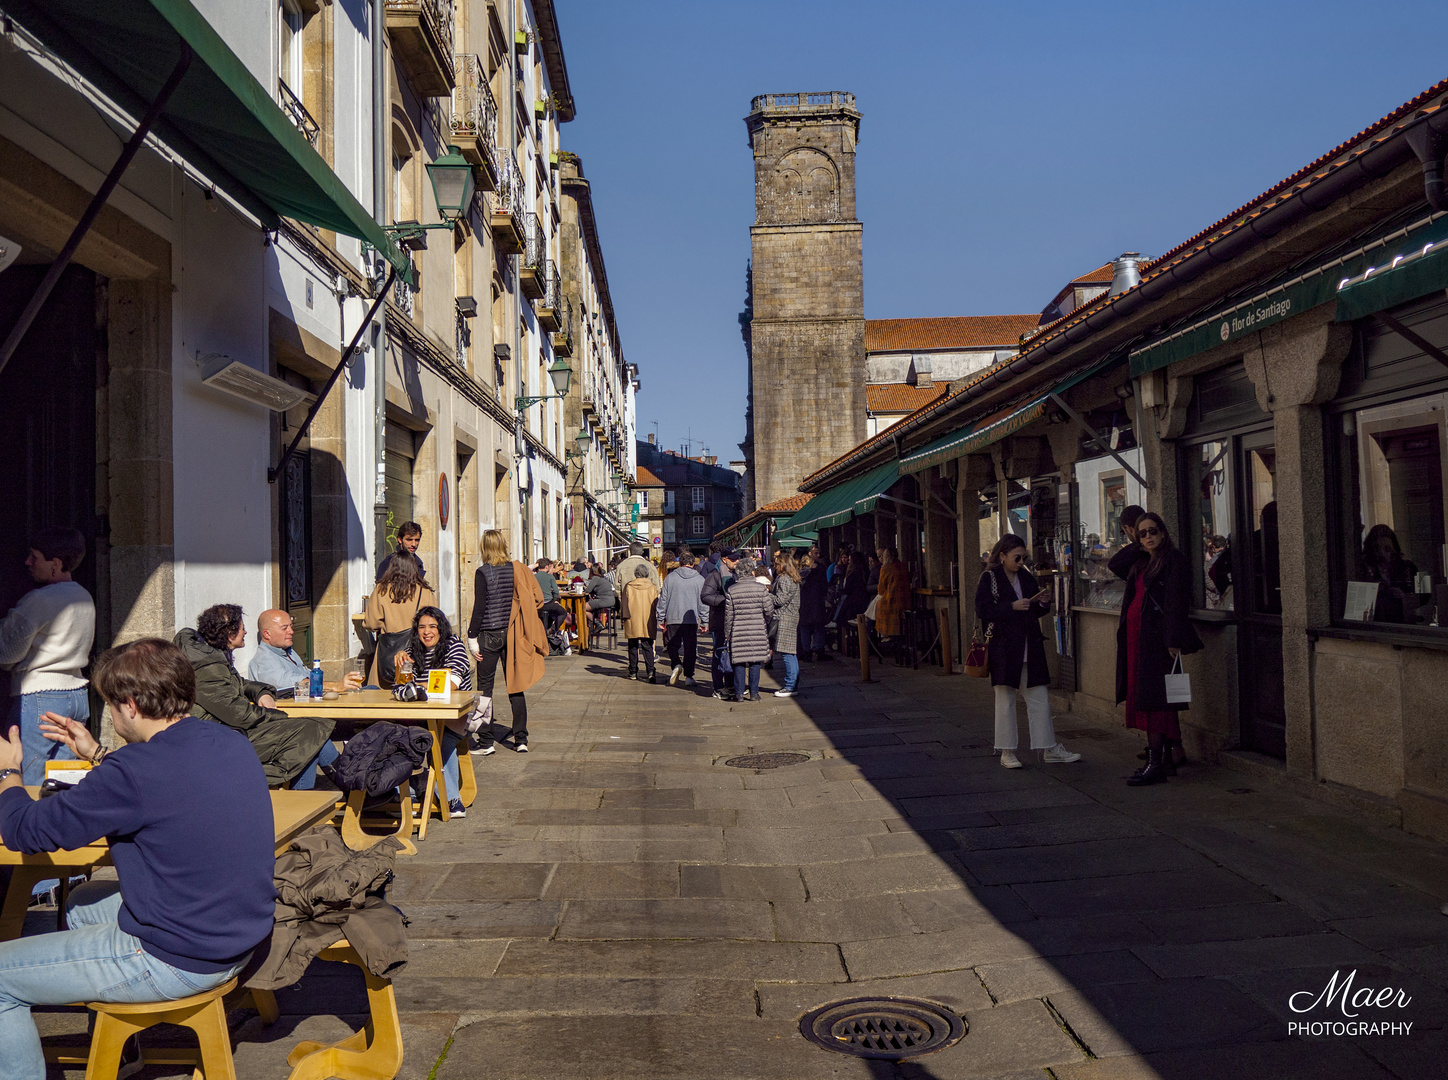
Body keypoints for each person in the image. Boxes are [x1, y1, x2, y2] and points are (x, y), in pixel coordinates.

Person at [0, 638, 275, 1080]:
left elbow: (25, 831)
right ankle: (120, 1051)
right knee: (82, 901)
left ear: (129, 705)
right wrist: (95, 755)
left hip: (177, 956)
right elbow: (161, 783)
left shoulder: (131, 773)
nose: (109, 714)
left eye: (109, 704)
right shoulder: (227, 741)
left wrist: (8, 772)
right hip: (239, 934)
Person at [175, 605, 337, 788]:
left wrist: (261, 692)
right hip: (219, 741)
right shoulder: (207, 665)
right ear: (229, 634)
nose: (246, 632)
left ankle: (343, 787)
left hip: (227, 731)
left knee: (311, 732)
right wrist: (282, 716)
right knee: (309, 731)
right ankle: (348, 785)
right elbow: (238, 713)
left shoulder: (213, 656)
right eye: (242, 628)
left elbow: (239, 683)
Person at [1111, 512, 1203, 786]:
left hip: (1158, 642)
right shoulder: (1141, 562)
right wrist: (1139, 545)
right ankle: (1163, 761)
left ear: (1163, 532)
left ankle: (1156, 765)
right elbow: (1115, 563)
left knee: (1157, 704)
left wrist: (1172, 640)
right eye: (1142, 533)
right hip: (1136, 641)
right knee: (1151, 700)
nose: (1148, 536)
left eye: (1153, 531)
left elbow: (1176, 601)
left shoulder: (1173, 559)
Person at [976, 534, 1081, 770]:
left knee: (1039, 696)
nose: (1021, 561)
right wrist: (1011, 607)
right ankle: (1007, 750)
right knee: (1005, 699)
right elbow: (982, 610)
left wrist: (1042, 603)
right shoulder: (989, 578)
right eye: (1017, 557)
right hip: (1004, 647)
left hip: (1029, 645)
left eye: (1024, 557)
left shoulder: (1025, 576)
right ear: (1002, 555)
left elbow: (1033, 612)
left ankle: (1049, 747)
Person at [0, 527, 95, 785]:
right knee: (66, 781)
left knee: (28, 779)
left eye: (34, 556)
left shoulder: (38, 600)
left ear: (55, 564)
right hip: (77, 696)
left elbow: (7, 652)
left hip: (39, 698)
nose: (27, 562)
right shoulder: (84, 597)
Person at [467, 529, 548, 753]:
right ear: (502, 545)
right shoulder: (517, 570)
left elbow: (479, 608)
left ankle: (486, 742)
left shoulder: (483, 572)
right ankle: (521, 739)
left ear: (485, 547)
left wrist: (472, 637)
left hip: (488, 635)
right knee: (516, 686)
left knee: (485, 689)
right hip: (512, 633)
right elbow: (537, 598)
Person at [405, 606, 473, 816]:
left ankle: (451, 799)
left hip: (459, 716)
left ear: (441, 629)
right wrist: (401, 661)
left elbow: (449, 683)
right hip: (424, 714)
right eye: (422, 627)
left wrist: (417, 685)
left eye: (432, 627)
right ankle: (404, 791)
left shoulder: (454, 646)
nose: (427, 632)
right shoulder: (413, 649)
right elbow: (403, 682)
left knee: (439, 738)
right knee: (397, 735)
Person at [363, 554, 438, 686]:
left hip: (388, 654)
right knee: (414, 690)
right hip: (417, 652)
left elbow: (371, 623)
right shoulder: (425, 592)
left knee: (383, 699)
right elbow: (436, 622)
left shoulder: (381, 591)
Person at [247, 609, 362, 694]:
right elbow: (294, 683)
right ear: (267, 634)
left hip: (312, 703)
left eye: (291, 626)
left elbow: (308, 676)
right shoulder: (263, 661)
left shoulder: (287, 650)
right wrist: (336, 686)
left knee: (370, 689)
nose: (291, 631)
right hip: (295, 716)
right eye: (284, 628)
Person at [724, 556, 775, 702]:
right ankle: (754, 693)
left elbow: (728, 616)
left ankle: (739, 693)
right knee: (755, 661)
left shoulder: (732, 590)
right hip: (757, 629)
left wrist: (727, 634)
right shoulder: (760, 589)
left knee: (739, 661)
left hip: (738, 630)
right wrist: (764, 622)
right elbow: (769, 610)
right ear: (752, 572)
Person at [657, 550, 706, 686]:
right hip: (691, 618)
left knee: (672, 645)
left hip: (673, 617)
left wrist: (661, 618)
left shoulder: (670, 578)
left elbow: (663, 600)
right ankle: (689, 676)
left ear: (680, 563)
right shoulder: (700, 579)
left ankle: (676, 664)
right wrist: (705, 620)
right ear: (692, 563)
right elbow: (703, 603)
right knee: (690, 647)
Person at [1359, 524, 1418, 623]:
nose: (1382, 553)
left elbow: (1425, 596)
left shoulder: (1407, 567)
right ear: (1371, 550)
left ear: (1394, 549)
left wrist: (1404, 596)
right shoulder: (1364, 570)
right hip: (1376, 624)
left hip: (1403, 623)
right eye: (1377, 548)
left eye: (1387, 549)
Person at [702, 549, 741, 700]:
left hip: (736, 621)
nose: (737, 561)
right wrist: (725, 601)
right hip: (720, 620)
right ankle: (718, 687)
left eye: (738, 558)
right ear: (724, 559)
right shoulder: (715, 575)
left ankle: (731, 685)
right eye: (733, 559)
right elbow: (705, 596)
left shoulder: (737, 575)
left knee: (734, 654)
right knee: (720, 654)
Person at [770, 551, 802, 698]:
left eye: (776, 563)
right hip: (791, 617)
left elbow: (779, 600)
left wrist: (767, 593)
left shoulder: (784, 579)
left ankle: (789, 686)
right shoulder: (792, 578)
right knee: (790, 653)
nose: (775, 566)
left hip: (784, 618)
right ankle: (792, 684)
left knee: (787, 654)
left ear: (782, 565)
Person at [621, 564, 660, 682]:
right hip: (648, 619)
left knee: (632, 646)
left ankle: (633, 671)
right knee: (647, 646)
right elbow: (656, 605)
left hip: (632, 619)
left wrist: (624, 618)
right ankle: (651, 671)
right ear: (647, 573)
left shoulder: (629, 586)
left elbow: (624, 604)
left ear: (635, 574)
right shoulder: (652, 587)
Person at [797, 551, 831, 662]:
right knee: (819, 628)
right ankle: (819, 649)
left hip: (803, 605)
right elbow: (824, 588)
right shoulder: (818, 573)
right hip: (817, 603)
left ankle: (806, 652)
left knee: (804, 628)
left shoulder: (798, 576)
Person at [874, 546, 910, 648]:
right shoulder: (903, 566)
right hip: (906, 604)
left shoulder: (885, 568)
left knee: (872, 612)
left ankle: (881, 638)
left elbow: (881, 590)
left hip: (890, 604)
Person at [534, 558, 567, 641]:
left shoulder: (533, 577)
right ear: (546, 567)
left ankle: (543, 631)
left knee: (546, 615)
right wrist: (555, 599)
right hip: (548, 603)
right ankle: (551, 630)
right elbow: (556, 591)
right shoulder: (550, 577)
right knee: (563, 613)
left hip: (536, 604)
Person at [585, 563, 616, 635]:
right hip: (611, 600)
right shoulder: (603, 578)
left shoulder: (595, 578)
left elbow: (588, 591)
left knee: (582, 608)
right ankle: (597, 622)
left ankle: (597, 623)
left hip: (603, 600)